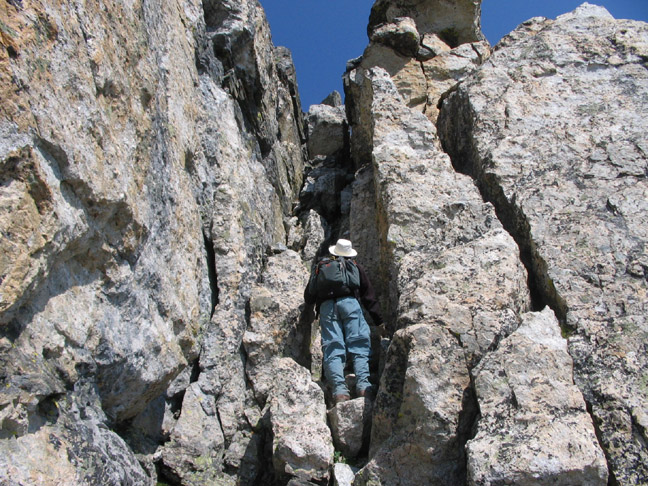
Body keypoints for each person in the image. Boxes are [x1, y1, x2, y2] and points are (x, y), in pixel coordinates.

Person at [304, 239, 383, 403]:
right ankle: (363, 386)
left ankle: (339, 391)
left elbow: (309, 296)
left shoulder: (322, 267)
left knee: (333, 346)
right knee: (359, 342)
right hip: (350, 304)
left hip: (327, 308)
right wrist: (379, 321)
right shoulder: (354, 267)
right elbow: (368, 296)